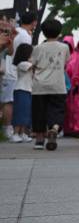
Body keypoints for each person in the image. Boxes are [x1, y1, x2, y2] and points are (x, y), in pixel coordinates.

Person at [29, 18, 71, 151]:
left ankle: (39, 140)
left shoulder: (38, 48)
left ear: (43, 32)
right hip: (58, 85)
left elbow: (33, 63)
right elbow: (66, 62)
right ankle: (54, 128)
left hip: (40, 86)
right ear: (59, 32)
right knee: (57, 110)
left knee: (39, 112)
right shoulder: (64, 47)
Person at [10, 12, 37, 144]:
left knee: (26, 112)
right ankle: (16, 132)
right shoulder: (23, 63)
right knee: (21, 111)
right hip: (21, 88)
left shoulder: (20, 33)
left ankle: (23, 133)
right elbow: (31, 64)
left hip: (27, 88)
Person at [1, 16, 17, 140]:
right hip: (6, 75)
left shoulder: (5, 38)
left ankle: (5, 129)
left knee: (6, 101)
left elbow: (10, 52)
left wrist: (12, 38)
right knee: (7, 101)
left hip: (2, 72)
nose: (5, 25)